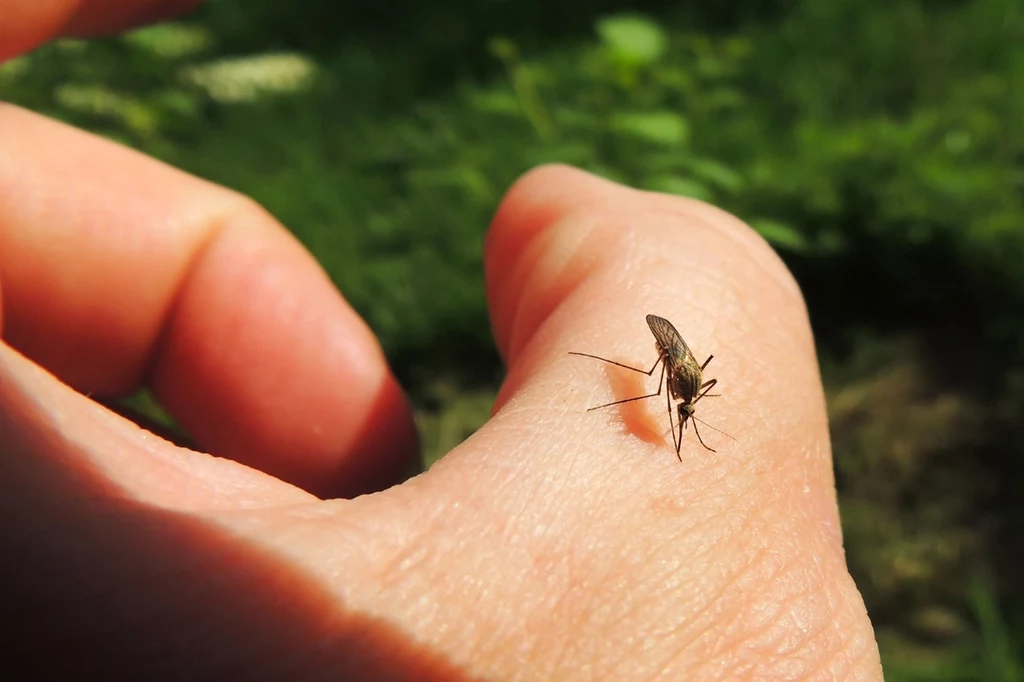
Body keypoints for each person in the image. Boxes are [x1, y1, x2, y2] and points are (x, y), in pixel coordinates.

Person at [0, 2, 882, 679]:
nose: (684, 402)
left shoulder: (683, 385)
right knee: (652, 384)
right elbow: (668, 362)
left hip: (664, 352)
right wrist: (659, 386)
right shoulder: (668, 370)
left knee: (666, 395)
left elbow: (682, 384)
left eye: (688, 401)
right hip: (655, 347)